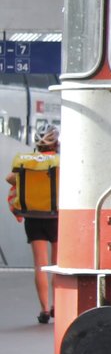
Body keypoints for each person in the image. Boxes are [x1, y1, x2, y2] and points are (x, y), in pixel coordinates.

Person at [7, 125, 59, 322]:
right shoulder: (59, 163)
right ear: (56, 144)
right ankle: (56, 305)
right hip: (56, 217)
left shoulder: (27, 162)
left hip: (33, 217)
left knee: (40, 265)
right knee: (57, 264)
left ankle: (44, 309)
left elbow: (10, 179)